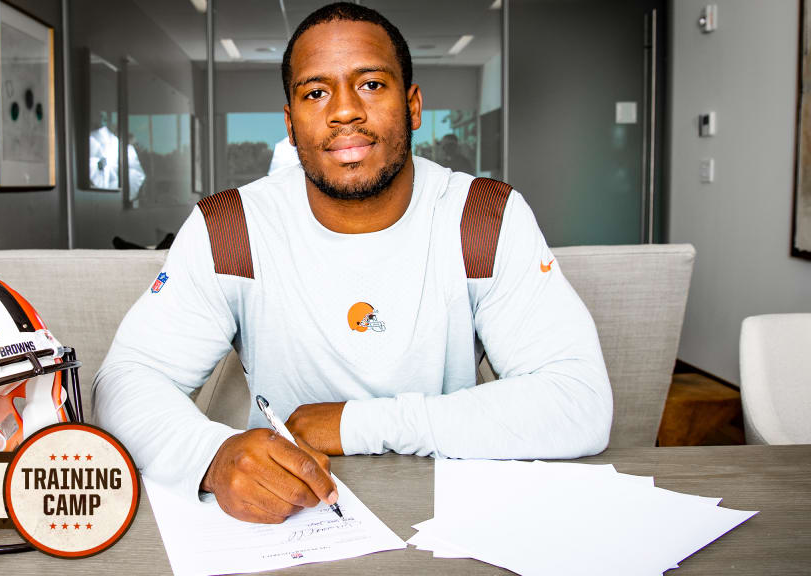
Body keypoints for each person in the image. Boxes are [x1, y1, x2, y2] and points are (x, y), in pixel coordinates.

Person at [94, 2, 611, 525]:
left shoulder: (483, 216)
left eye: (370, 84)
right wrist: (209, 455)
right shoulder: (231, 226)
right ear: (291, 124)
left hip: (448, 516)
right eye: (316, 93)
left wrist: (353, 423)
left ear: (413, 106)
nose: (344, 111)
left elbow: (578, 402)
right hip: (285, 520)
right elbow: (127, 379)